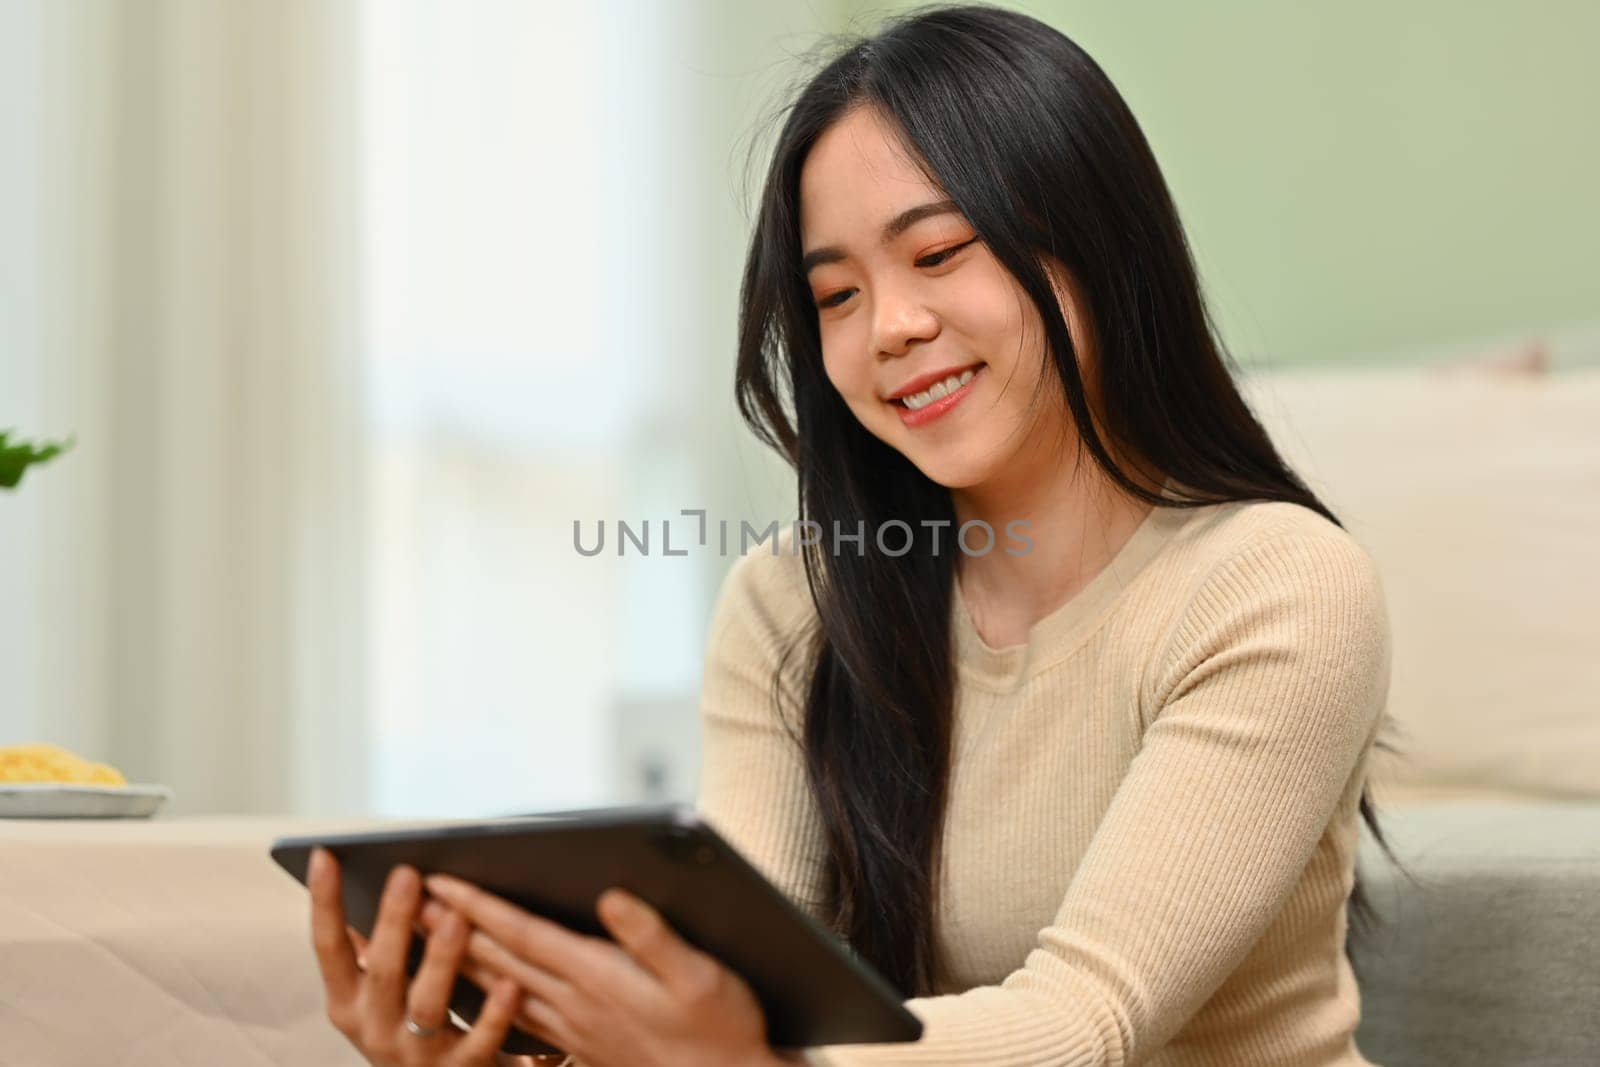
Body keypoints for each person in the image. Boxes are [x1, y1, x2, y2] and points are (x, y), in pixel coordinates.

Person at [307, 5, 1400, 1064]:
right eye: (834, 295)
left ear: (1099, 242)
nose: (890, 328)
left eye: (938, 254)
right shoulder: (797, 600)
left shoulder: (1276, 585)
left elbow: (1085, 1022)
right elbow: (739, 989)